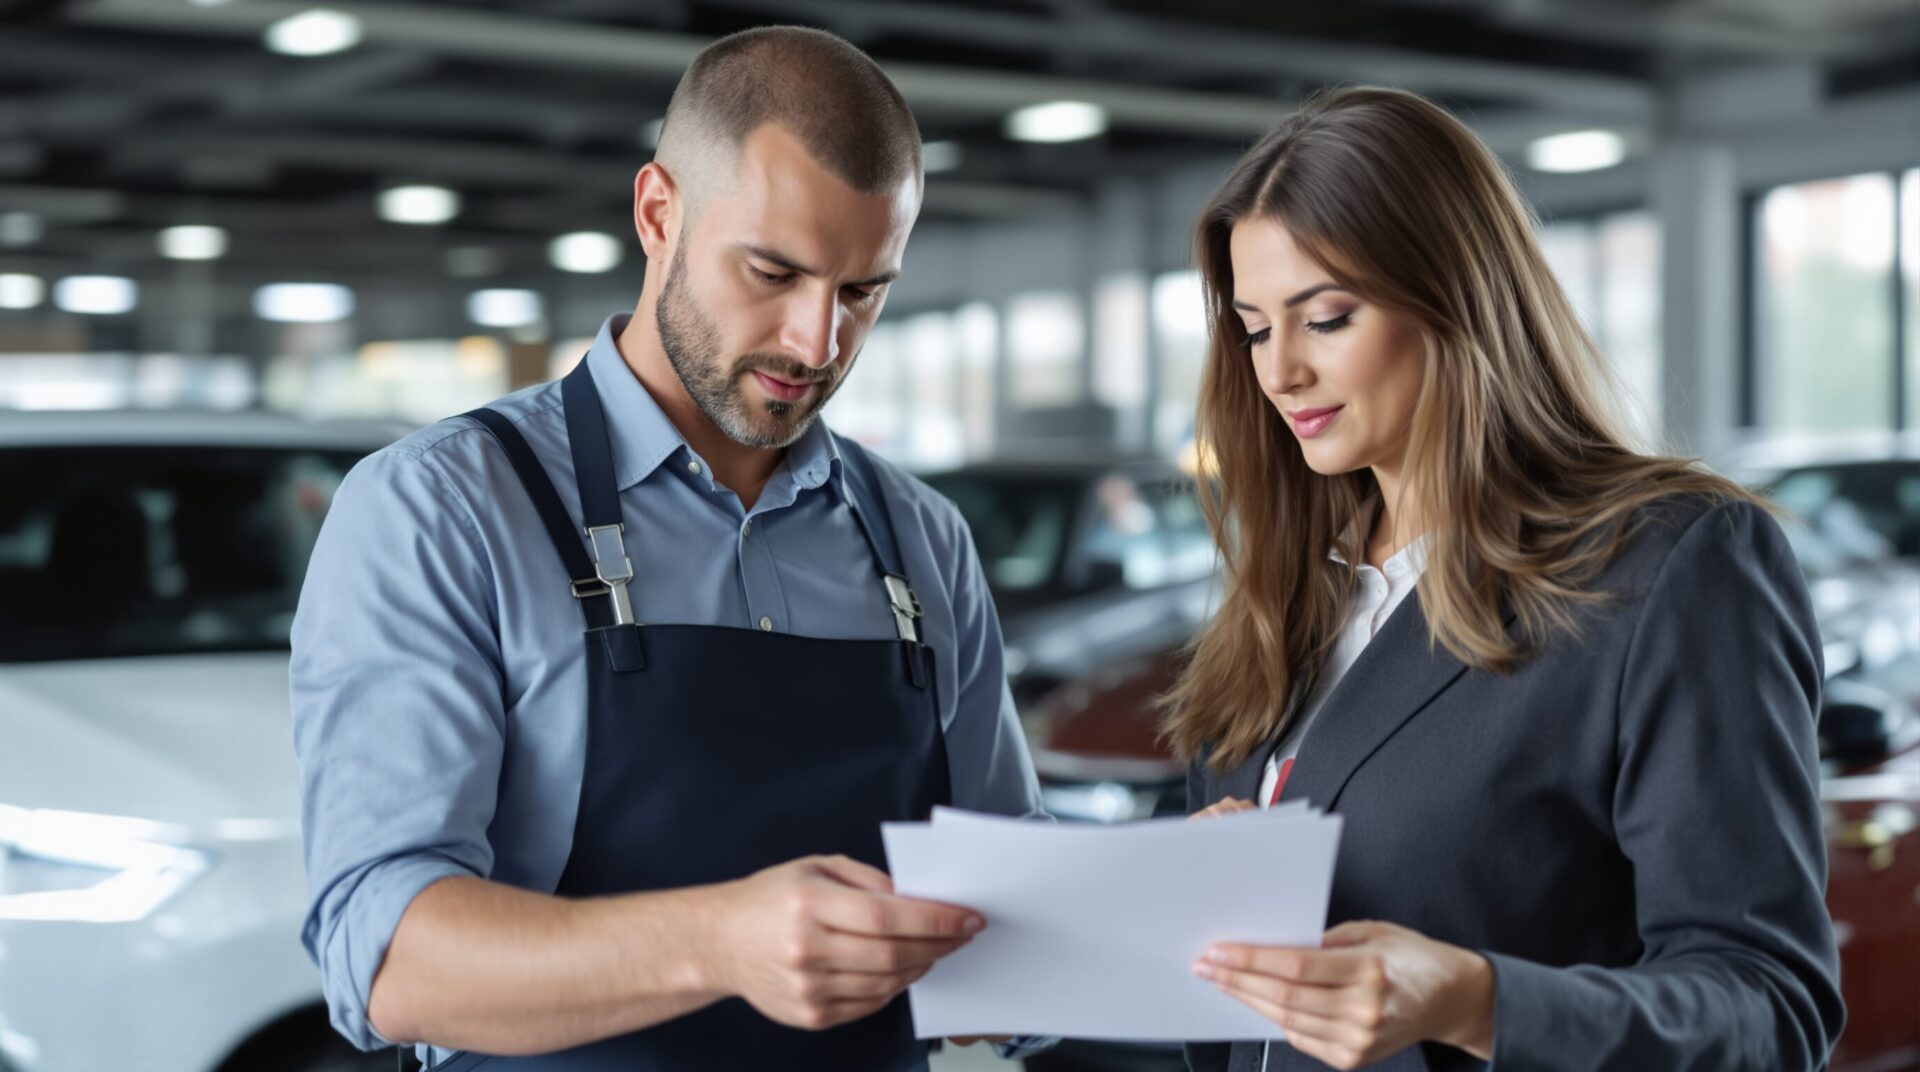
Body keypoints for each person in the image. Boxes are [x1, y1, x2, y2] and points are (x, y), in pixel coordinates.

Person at [291, 26, 1043, 1071]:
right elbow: (387, 956)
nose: (815, 343)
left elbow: (1004, 918)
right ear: (658, 213)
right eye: (773, 271)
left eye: (864, 291)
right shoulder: (443, 508)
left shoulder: (921, 539)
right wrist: (721, 941)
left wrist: (1170, 902)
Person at [1166, 87, 1843, 1072]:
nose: (1281, 373)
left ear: (1456, 296)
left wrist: (1475, 998)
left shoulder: (1668, 566)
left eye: (1326, 318)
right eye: (1257, 329)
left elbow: (1768, 1006)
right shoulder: (1287, 592)